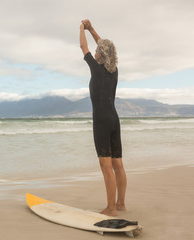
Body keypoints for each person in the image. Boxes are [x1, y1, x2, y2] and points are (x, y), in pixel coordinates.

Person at [79, 19, 127, 216]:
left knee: (105, 166)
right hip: (114, 119)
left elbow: (83, 46)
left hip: (101, 120)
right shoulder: (113, 71)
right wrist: (92, 29)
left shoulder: (96, 68)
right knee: (118, 164)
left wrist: (82, 28)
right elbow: (107, 48)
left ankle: (110, 208)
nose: (95, 51)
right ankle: (121, 204)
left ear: (100, 55)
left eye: (98, 50)